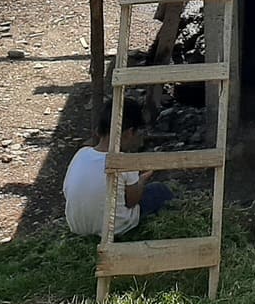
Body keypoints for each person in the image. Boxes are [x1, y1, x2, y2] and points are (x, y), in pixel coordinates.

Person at [63, 100, 175, 237]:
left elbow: (67, 190)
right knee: (159, 190)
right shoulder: (124, 160)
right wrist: (142, 179)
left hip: (78, 227)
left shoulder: (80, 154)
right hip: (114, 228)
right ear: (128, 133)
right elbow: (132, 200)